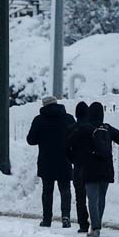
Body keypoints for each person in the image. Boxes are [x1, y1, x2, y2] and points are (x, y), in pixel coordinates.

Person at [66, 101, 119, 237]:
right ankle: (97, 224)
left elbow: (68, 143)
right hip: (106, 167)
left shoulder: (84, 128)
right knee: (101, 197)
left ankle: (95, 227)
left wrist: (74, 159)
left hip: (90, 167)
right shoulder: (107, 128)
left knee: (92, 199)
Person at [27, 96, 76, 227]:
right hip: (65, 159)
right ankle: (66, 217)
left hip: (46, 160)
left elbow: (31, 140)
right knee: (65, 190)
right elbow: (76, 137)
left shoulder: (39, 120)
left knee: (47, 191)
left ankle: (47, 219)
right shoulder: (68, 118)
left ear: (44, 106)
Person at [69, 101, 92, 233]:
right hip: (91, 165)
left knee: (80, 197)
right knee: (93, 196)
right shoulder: (91, 128)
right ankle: (95, 221)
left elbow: (66, 147)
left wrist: (72, 159)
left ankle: (83, 224)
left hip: (78, 166)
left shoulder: (72, 128)